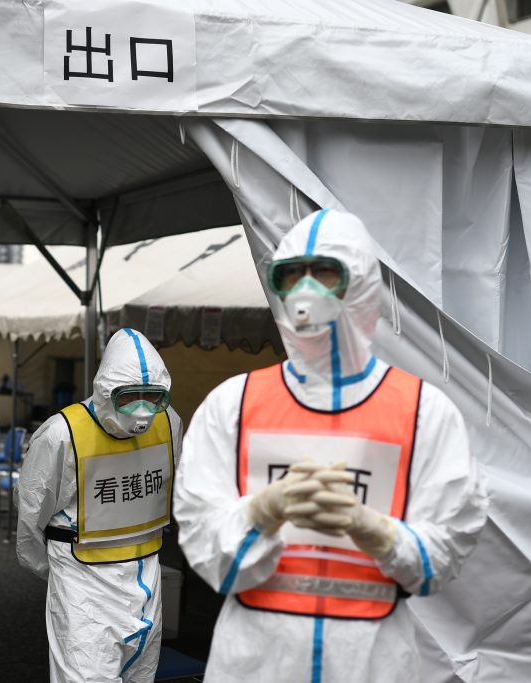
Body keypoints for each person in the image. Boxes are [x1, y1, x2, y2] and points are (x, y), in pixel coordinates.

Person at [173, 209, 488, 683]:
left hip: (371, 658)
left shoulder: (424, 412)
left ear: (360, 284)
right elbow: (201, 538)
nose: (306, 291)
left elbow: (443, 553)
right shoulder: (232, 407)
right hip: (256, 658)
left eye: (324, 272)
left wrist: (374, 530)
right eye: (291, 274)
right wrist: (262, 512)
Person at [17, 328, 184, 683]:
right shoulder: (61, 434)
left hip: (146, 577)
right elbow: (32, 512)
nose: (143, 411)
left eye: (152, 397)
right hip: (84, 587)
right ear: (107, 392)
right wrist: (55, 573)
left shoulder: (168, 423)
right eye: (130, 397)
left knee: (141, 674)